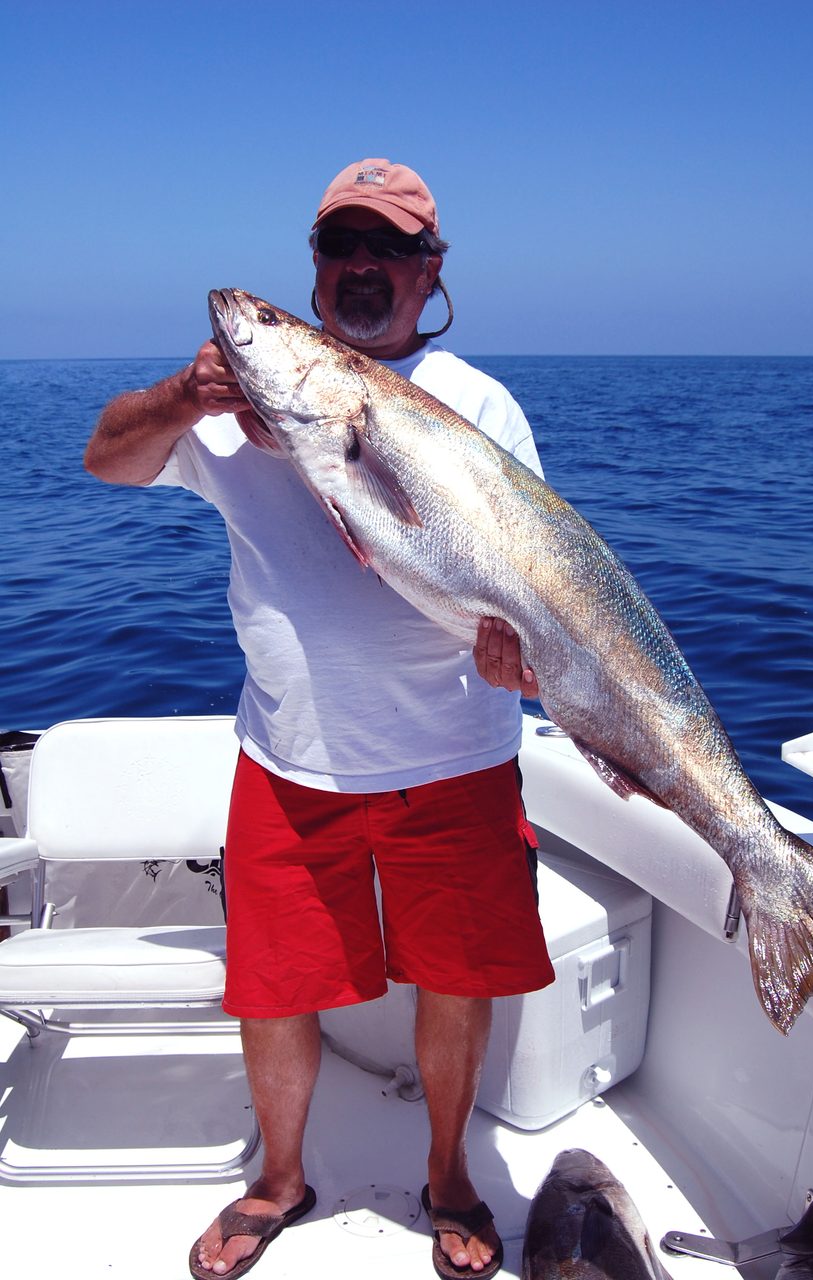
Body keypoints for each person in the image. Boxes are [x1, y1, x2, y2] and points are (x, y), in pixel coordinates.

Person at [84, 158, 555, 1280]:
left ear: (429, 271)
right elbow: (108, 457)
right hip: (289, 760)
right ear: (315, 265)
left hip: (455, 756)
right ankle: (276, 1179)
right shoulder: (239, 415)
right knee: (277, 984)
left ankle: (447, 1172)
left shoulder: (478, 403)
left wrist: (522, 657)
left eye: (389, 250)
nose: (362, 267)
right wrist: (178, 397)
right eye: (342, 246)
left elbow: (534, 589)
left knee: (456, 976)